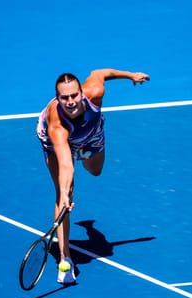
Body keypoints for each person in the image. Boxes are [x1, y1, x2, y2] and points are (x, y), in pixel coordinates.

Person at [37, 68, 150, 284]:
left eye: (73, 95)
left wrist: (131, 75)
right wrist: (65, 194)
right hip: (58, 145)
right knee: (64, 193)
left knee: (95, 171)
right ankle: (66, 260)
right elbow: (65, 165)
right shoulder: (57, 127)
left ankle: (83, 226)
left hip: (91, 134)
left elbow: (101, 72)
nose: (70, 101)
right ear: (57, 98)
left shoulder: (95, 91)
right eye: (64, 97)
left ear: (82, 93)